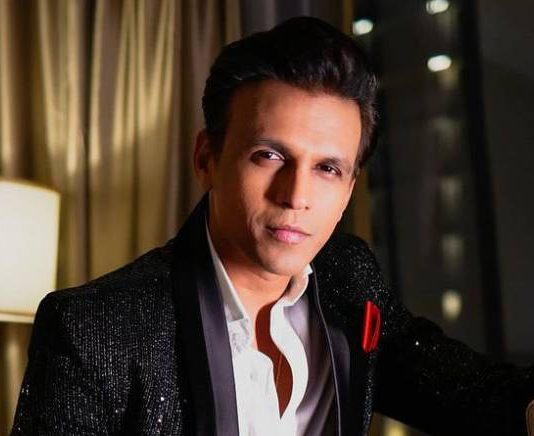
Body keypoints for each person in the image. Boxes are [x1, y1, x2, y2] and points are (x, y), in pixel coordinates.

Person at [11, 16, 534, 436]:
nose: (296, 196)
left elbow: (471, 395)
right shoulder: (93, 328)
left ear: (349, 188)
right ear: (206, 158)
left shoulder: (348, 276)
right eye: (269, 156)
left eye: (327, 169)